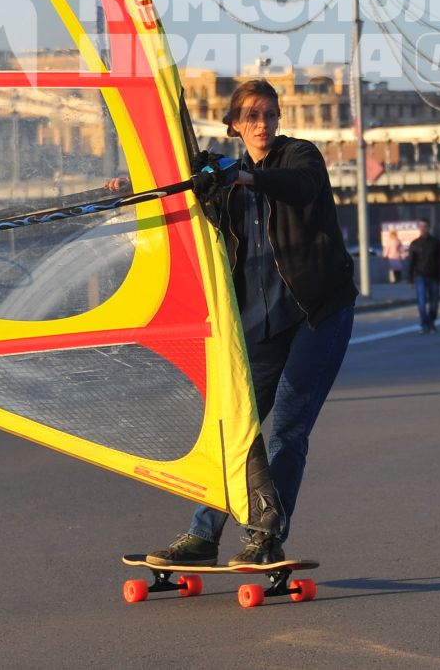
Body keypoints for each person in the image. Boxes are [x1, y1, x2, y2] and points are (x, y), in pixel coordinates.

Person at [145, 78, 357, 569]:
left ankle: (267, 536)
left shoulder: (299, 157)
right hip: (260, 323)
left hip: (317, 314)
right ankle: (202, 535)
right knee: (235, 429)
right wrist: (136, 188)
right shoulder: (225, 180)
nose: (262, 124)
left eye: (269, 114)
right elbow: (181, 202)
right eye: (252, 117)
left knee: (286, 430)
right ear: (235, 125)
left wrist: (245, 178)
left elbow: (300, 188)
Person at [407, 220, 440, 334]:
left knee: (434, 302)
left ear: (429, 227)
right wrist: (410, 279)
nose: (423, 229)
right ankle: (424, 324)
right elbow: (411, 262)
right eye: (421, 226)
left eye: (425, 226)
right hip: (420, 276)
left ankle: (432, 322)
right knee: (421, 301)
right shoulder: (415, 243)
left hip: (434, 275)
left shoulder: (435, 242)